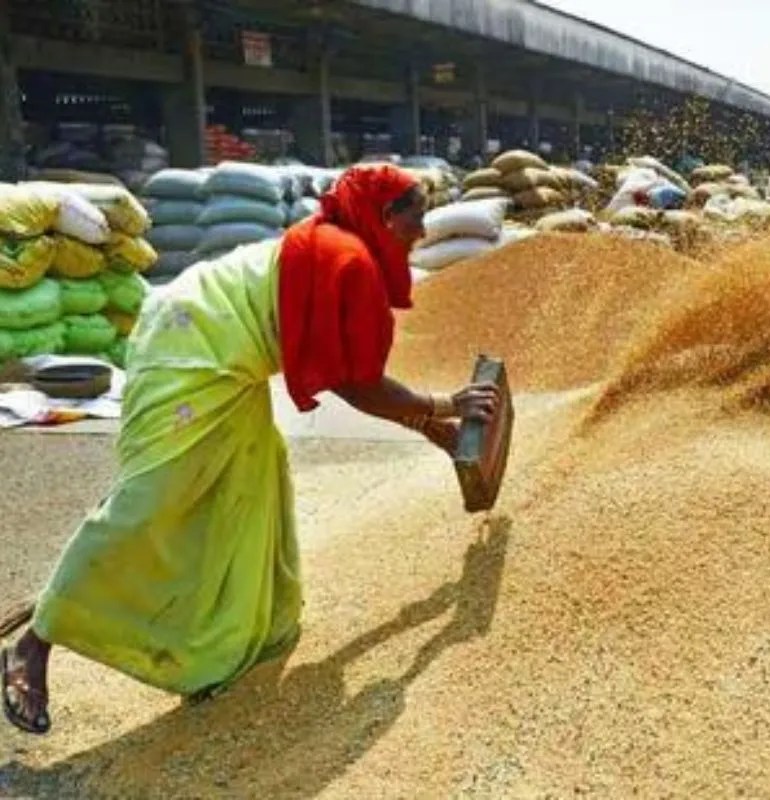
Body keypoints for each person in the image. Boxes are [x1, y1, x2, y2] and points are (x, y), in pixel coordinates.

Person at [1, 164, 500, 735]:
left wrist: (429, 426)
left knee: (247, 487)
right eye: (415, 219)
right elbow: (354, 382)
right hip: (187, 347)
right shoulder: (349, 260)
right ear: (384, 217)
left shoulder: (341, 248)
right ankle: (35, 642)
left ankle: (229, 649)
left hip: (224, 360)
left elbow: (343, 367)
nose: (422, 232)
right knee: (154, 499)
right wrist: (442, 406)